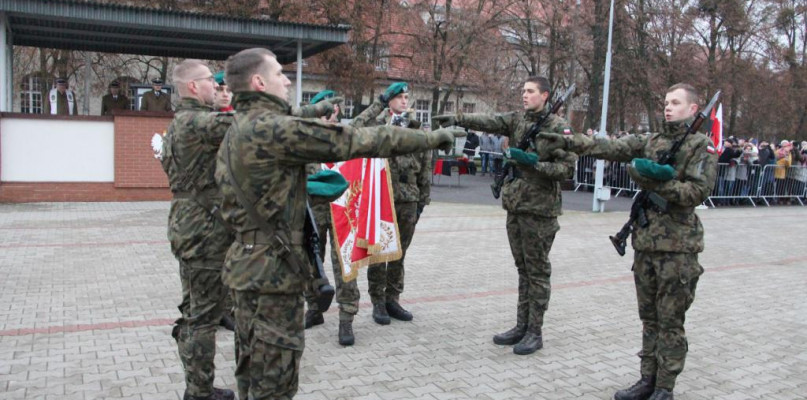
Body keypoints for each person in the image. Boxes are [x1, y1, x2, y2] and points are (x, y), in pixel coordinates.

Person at [213, 48, 463, 400]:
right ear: (258, 82)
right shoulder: (272, 129)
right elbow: (359, 139)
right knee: (274, 382)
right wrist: (430, 139)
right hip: (272, 273)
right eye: (279, 74)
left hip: (245, 265)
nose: (287, 80)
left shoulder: (236, 127)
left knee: (251, 371)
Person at [539, 83, 717, 400]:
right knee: (649, 319)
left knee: (670, 322)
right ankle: (646, 379)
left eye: (675, 103)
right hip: (646, 245)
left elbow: (696, 193)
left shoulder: (700, 146)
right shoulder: (652, 140)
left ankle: (665, 386)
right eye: (666, 102)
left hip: (678, 250)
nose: (668, 107)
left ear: (692, 109)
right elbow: (609, 147)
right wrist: (569, 141)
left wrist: (657, 183)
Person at [433, 76, 578, 356]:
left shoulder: (559, 128)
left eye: (531, 91)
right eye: (523, 90)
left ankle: (535, 331)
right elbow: (489, 121)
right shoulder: (518, 119)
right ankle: (521, 326)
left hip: (540, 209)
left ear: (545, 95)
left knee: (537, 272)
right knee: (522, 269)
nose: (525, 95)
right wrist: (457, 117)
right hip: (516, 205)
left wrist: (535, 164)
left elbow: (566, 170)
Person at [160, 60, 235, 400]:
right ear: (192, 86)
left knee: (198, 311)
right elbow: (249, 124)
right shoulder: (196, 122)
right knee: (202, 318)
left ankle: (198, 386)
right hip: (203, 231)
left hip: (192, 225)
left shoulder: (181, 123)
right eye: (209, 80)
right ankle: (199, 392)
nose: (214, 86)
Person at [347, 81, 431, 325]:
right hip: (380, 199)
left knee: (399, 253)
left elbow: (426, 166)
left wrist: (422, 200)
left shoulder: (417, 130)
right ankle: (378, 302)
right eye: (399, 96)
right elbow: (354, 128)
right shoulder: (376, 127)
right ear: (390, 100)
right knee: (377, 252)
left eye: (407, 97)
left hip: (408, 199)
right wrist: (378, 104)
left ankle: (393, 298)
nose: (405, 101)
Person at [301, 89, 362, 347]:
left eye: (336, 114)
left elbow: (364, 125)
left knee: (344, 263)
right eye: (328, 114)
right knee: (311, 261)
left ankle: (346, 317)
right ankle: (314, 309)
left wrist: (381, 104)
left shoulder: (342, 139)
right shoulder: (303, 140)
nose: (333, 119)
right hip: (313, 209)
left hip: (342, 209)